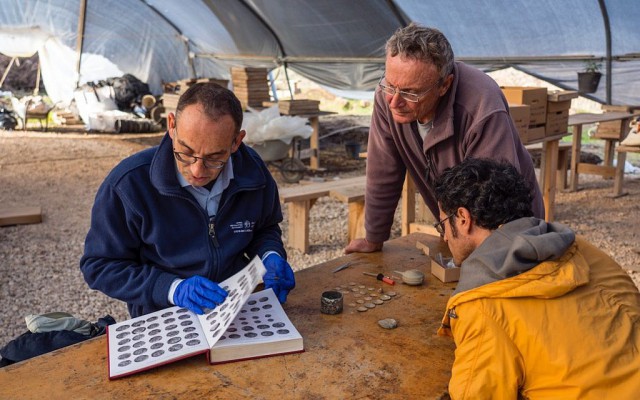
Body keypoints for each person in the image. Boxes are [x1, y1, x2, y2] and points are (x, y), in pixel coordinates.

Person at [80, 83, 294, 318]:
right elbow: (100, 265)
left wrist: (270, 255)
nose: (197, 169)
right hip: (163, 313)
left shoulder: (252, 172)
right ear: (171, 126)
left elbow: (264, 228)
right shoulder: (128, 184)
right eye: (186, 152)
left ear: (236, 142)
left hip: (235, 308)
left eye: (215, 157)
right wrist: (171, 288)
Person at [433, 157, 640, 399]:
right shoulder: (582, 248)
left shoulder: (481, 307)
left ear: (463, 218)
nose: (445, 238)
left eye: (443, 225)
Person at [345, 23, 544, 254]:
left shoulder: (481, 105)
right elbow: (383, 169)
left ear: (444, 85)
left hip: (509, 231)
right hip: (459, 227)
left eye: (410, 92)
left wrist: (481, 260)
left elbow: (494, 201)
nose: (394, 101)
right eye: (390, 85)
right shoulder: (387, 98)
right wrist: (374, 237)